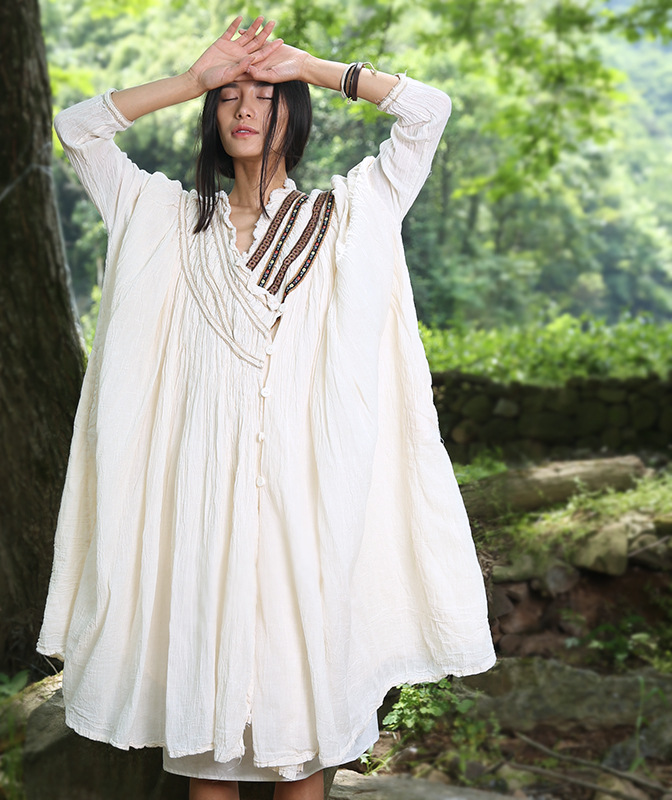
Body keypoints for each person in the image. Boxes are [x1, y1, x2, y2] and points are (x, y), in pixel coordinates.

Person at [36, 16, 496, 800]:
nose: (245, 109)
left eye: (265, 98)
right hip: (201, 511)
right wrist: (195, 77)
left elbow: (429, 111)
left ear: (295, 115)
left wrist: (309, 68)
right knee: (206, 752)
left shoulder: (351, 214)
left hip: (307, 512)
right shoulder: (166, 218)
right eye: (230, 99)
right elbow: (77, 131)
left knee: (304, 738)